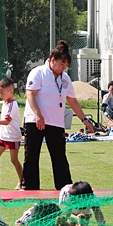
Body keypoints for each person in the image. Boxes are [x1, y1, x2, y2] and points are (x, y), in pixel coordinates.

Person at [21, 41, 94, 190]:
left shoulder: (65, 78)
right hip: (35, 121)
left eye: (66, 65)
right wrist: (38, 115)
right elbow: (30, 94)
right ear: (53, 60)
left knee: (59, 156)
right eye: (62, 64)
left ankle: (65, 188)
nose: (63, 68)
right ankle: (29, 187)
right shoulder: (38, 72)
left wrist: (84, 119)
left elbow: (72, 101)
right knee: (31, 155)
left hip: (55, 122)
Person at [0, 78, 23, 189]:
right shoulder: (5, 102)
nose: (0, 95)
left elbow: (7, 121)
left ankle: (21, 181)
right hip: (3, 136)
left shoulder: (12, 104)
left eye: (2, 93)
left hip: (13, 137)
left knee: (14, 159)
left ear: (11, 92)